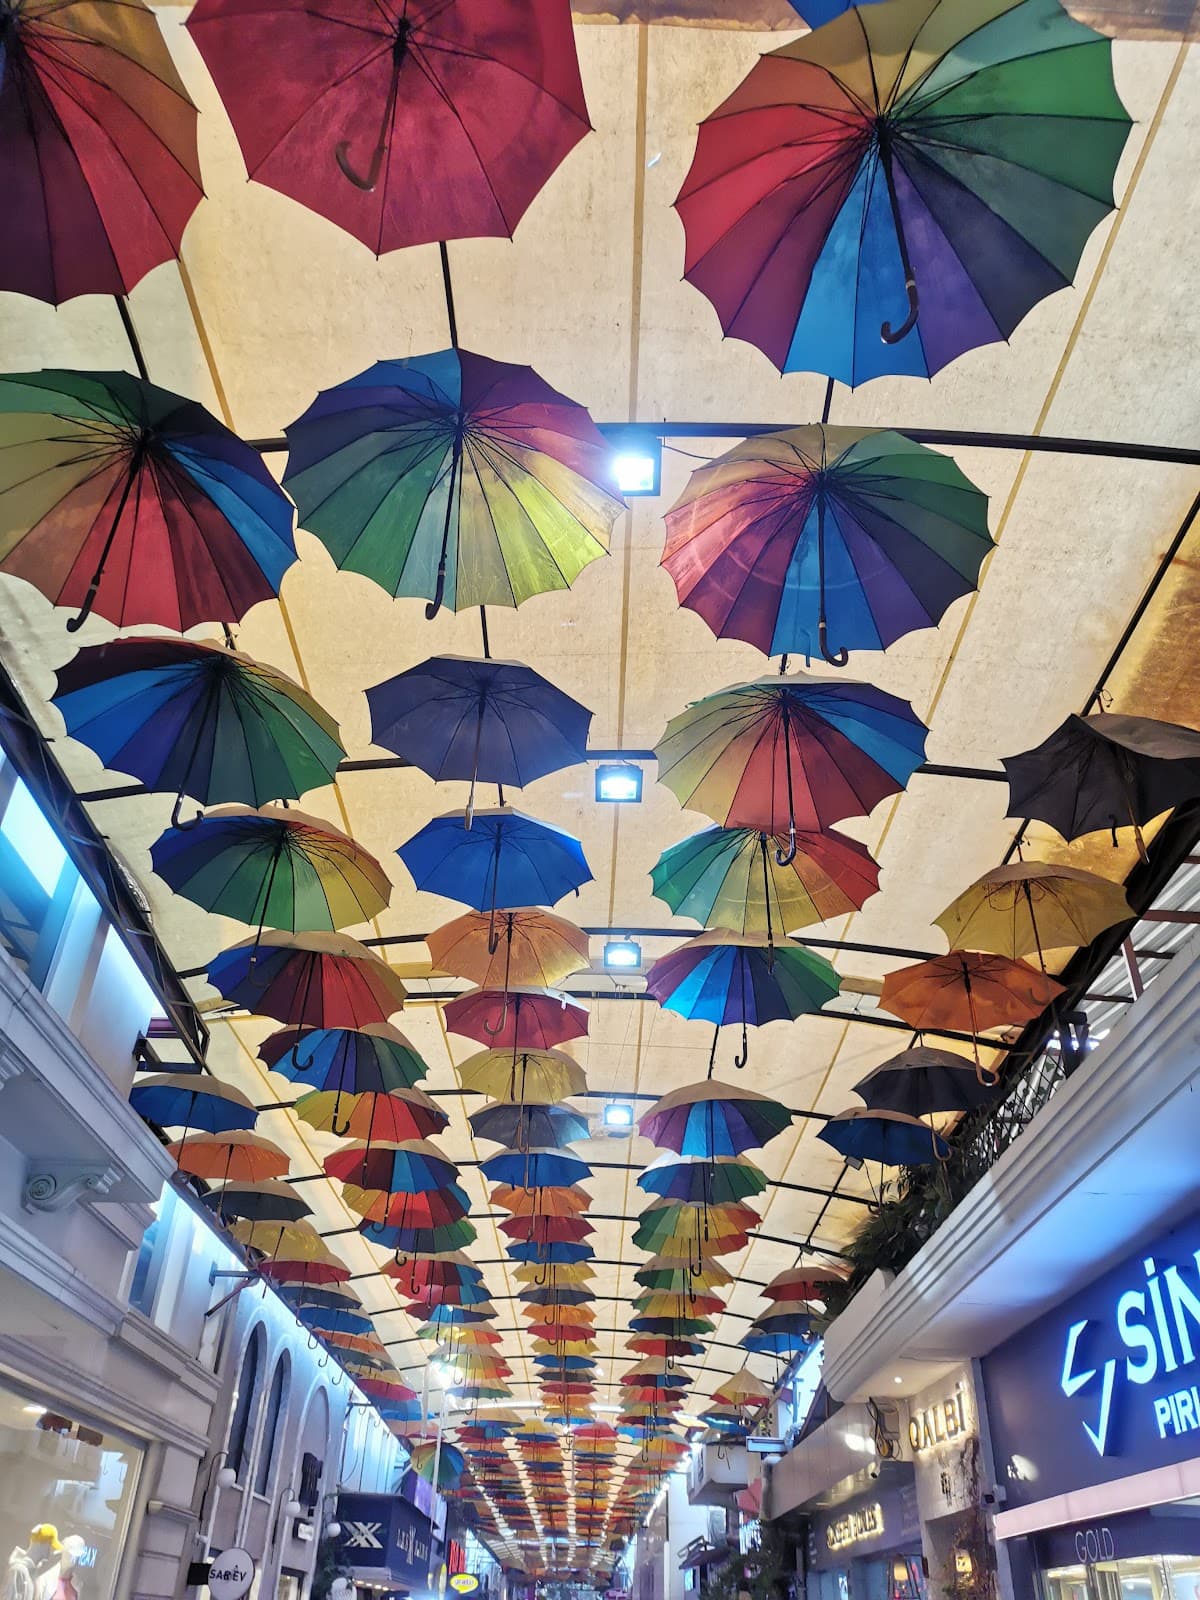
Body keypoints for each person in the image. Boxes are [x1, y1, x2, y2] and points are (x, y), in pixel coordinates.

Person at [4, 1527, 62, 1600]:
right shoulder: (19, 1570)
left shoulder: (30, 1573)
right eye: (50, 1546)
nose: (50, 1552)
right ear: (41, 1544)